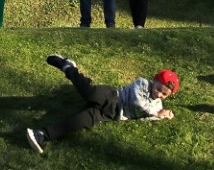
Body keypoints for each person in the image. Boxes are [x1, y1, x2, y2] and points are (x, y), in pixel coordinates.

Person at [26, 54, 179, 154]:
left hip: (110, 114)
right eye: (158, 88)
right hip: (112, 97)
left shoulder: (158, 106)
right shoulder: (143, 83)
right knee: (89, 93)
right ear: (154, 81)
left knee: (79, 122)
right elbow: (136, 102)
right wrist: (156, 113)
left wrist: (162, 115)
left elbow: (144, 117)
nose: (159, 94)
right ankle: (69, 67)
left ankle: (41, 135)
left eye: (164, 94)